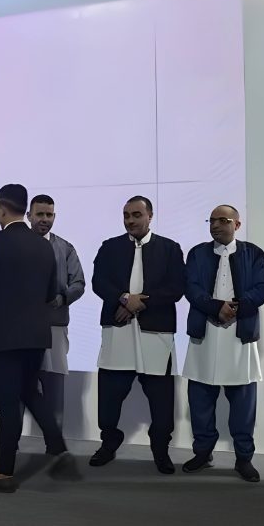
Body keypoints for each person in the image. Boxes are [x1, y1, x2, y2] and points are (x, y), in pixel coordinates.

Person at [0, 184, 74, 493]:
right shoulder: (44, 245)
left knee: (8, 402)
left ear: (1, 209)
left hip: (5, 337)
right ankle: (57, 446)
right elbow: (51, 291)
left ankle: (3, 471)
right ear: (24, 209)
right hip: (37, 335)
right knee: (29, 392)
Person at [89, 196, 185, 474]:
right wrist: (123, 298)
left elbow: (176, 287)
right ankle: (109, 442)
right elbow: (99, 282)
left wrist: (138, 303)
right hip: (118, 332)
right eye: (126, 215)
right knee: (109, 397)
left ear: (150, 216)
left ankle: (160, 450)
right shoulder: (109, 247)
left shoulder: (169, 248)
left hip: (156, 335)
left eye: (136, 215)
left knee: (161, 401)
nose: (130, 220)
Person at [181, 205, 264, 482]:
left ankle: (244, 458)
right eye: (212, 221)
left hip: (239, 334)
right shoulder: (197, 253)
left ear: (237, 225)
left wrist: (237, 307)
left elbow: (262, 288)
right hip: (205, 332)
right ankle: (202, 452)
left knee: (243, 403)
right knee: (200, 400)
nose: (216, 225)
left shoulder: (253, 253)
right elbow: (190, 287)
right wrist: (215, 307)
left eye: (223, 220)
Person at [27, 194, 85, 429]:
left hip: (54, 325)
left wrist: (62, 299)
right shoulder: (17, 246)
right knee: (19, 387)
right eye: (39, 214)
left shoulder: (65, 248)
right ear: (29, 216)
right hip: (21, 327)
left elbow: (78, 283)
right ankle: (10, 443)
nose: (44, 219)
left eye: (49, 215)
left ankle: (54, 441)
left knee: (53, 389)